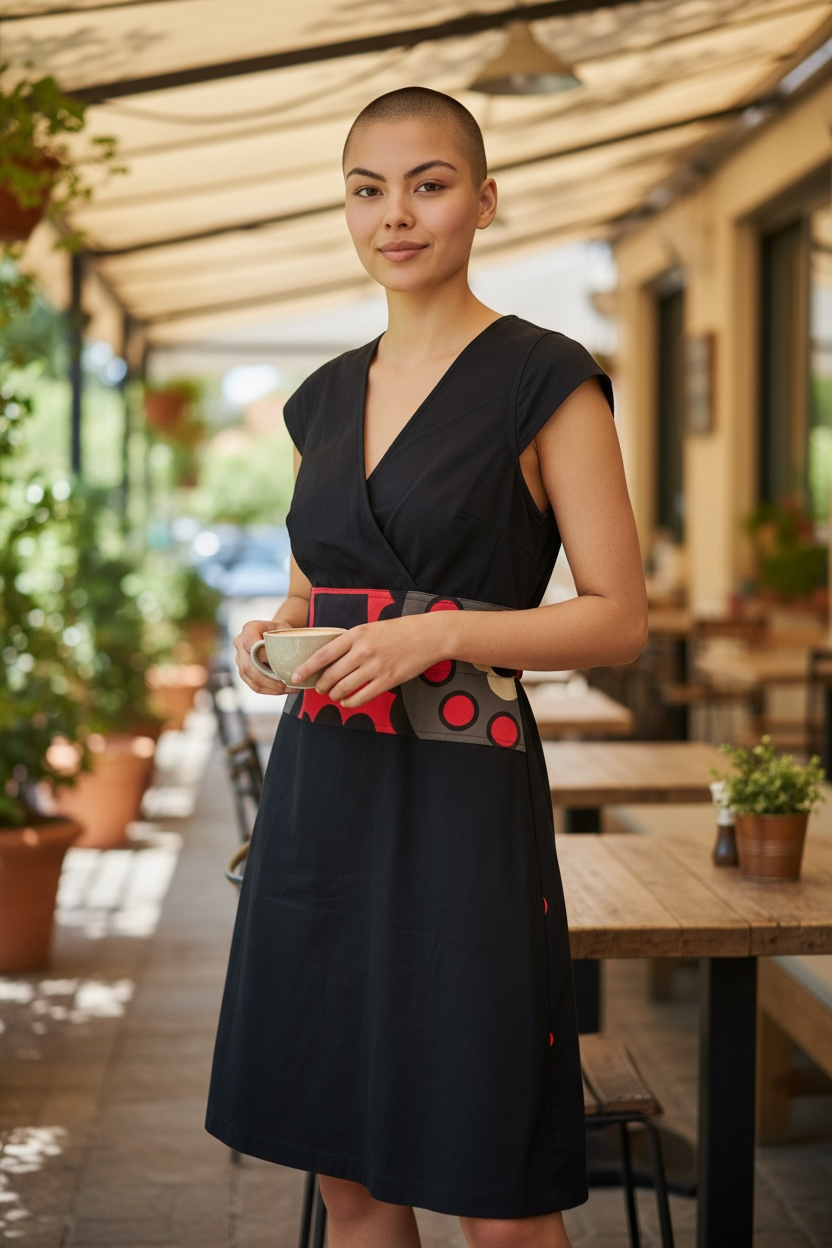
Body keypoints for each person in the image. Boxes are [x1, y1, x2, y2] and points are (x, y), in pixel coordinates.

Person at [206, 86, 647, 1248]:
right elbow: (317, 593)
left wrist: (439, 633)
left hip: (461, 803)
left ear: (482, 201)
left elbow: (617, 623)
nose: (394, 214)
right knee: (351, 1180)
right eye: (367, 189)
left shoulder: (547, 378)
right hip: (323, 803)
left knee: (489, 1188)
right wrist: (273, 641)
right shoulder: (320, 399)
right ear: (345, 212)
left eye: (428, 183)